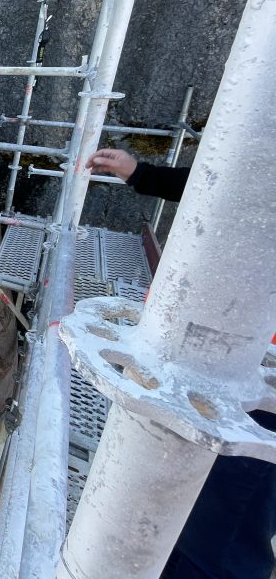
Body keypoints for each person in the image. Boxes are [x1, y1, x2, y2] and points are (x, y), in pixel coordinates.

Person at [88, 148, 276, 579]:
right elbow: (234, 187)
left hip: (256, 383)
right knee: (175, 509)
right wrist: (142, 173)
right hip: (209, 362)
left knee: (221, 531)